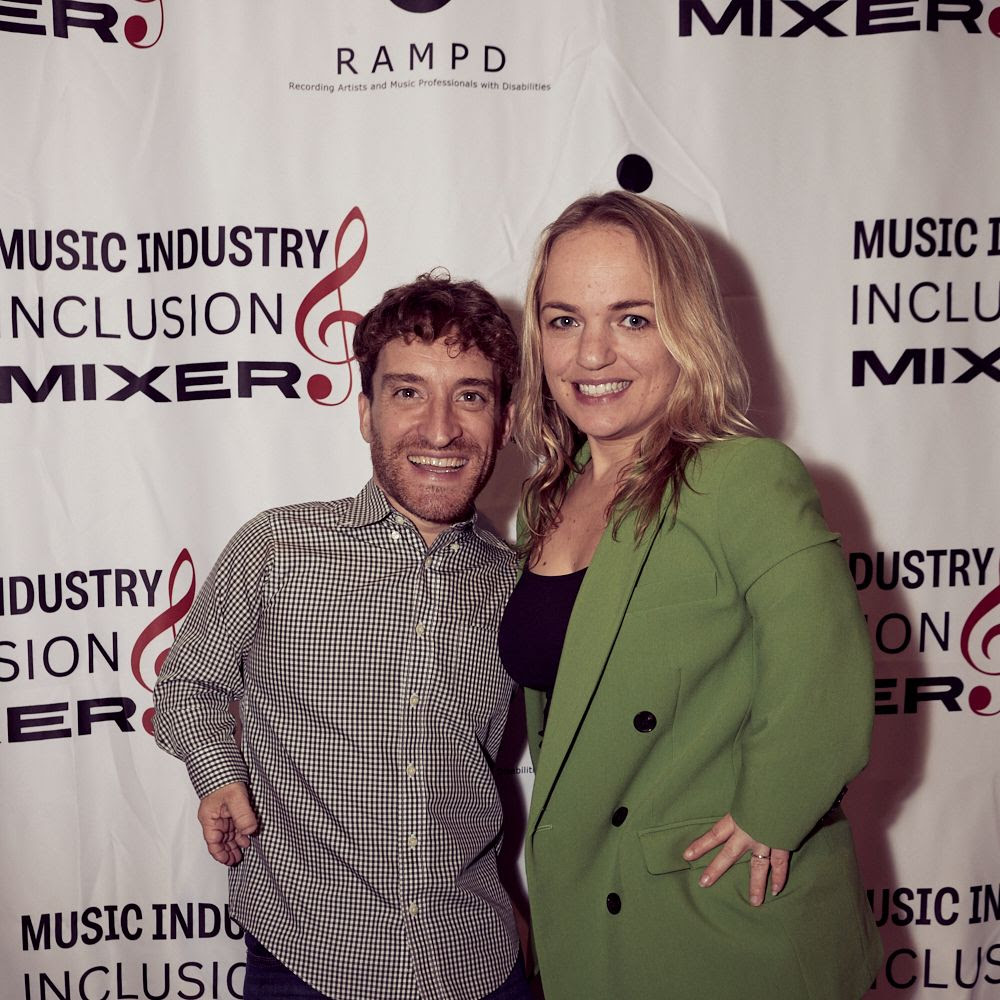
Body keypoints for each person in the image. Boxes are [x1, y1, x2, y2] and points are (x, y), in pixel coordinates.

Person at [498, 192, 883, 999]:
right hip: (582, 907)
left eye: (632, 319)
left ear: (687, 327)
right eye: (564, 320)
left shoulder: (740, 476)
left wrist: (774, 812)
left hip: (713, 919)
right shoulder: (546, 501)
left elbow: (825, 667)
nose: (592, 354)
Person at [153, 272, 533, 1000]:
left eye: (471, 396)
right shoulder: (277, 548)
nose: (441, 428)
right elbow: (188, 685)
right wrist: (219, 774)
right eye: (407, 392)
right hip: (310, 960)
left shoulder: (521, 584)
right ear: (364, 412)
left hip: (479, 961)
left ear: (505, 421)